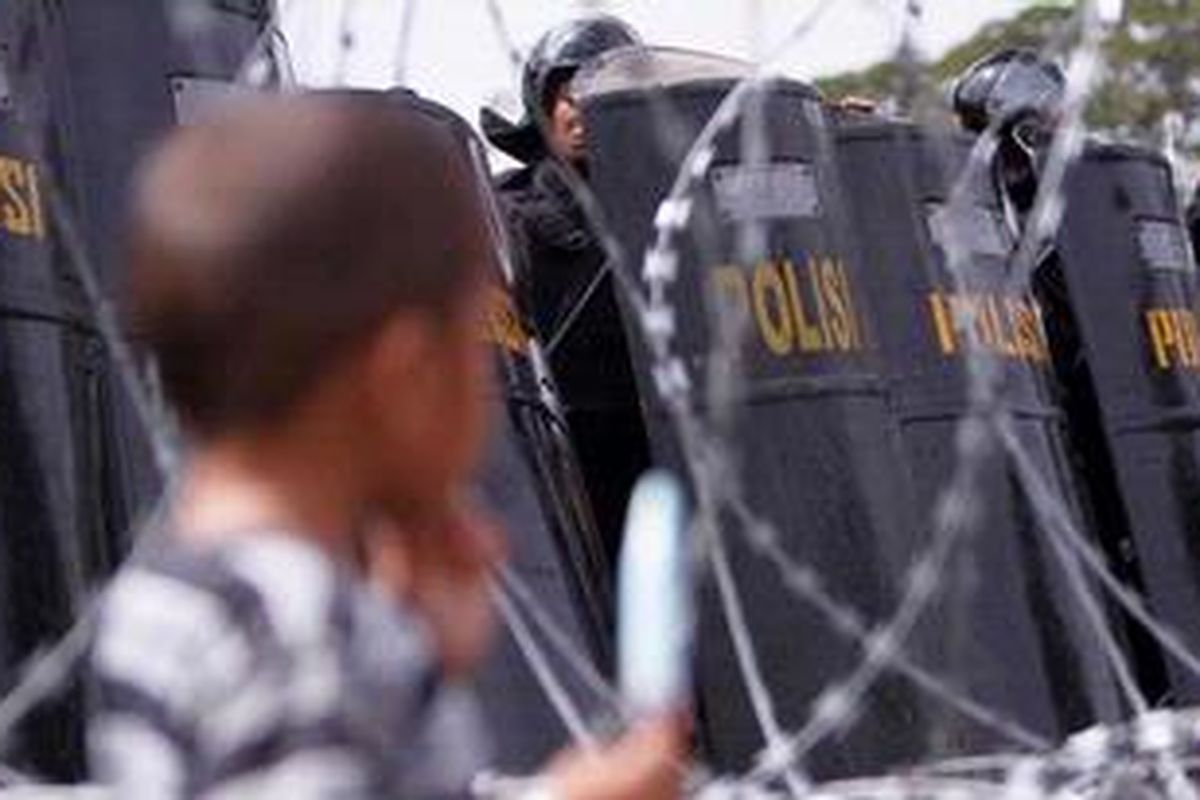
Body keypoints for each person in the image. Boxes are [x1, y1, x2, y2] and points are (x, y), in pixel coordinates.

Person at [86, 91, 683, 798]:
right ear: (403, 379)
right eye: (470, 348)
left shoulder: (172, 591)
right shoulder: (298, 628)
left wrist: (422, 663)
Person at [481, 15, 652, 571]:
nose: (576, 107)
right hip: (570, 464)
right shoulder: (510, 215)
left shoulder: (677, 202)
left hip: (672, 448)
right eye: (563, 92)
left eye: (598, 89)